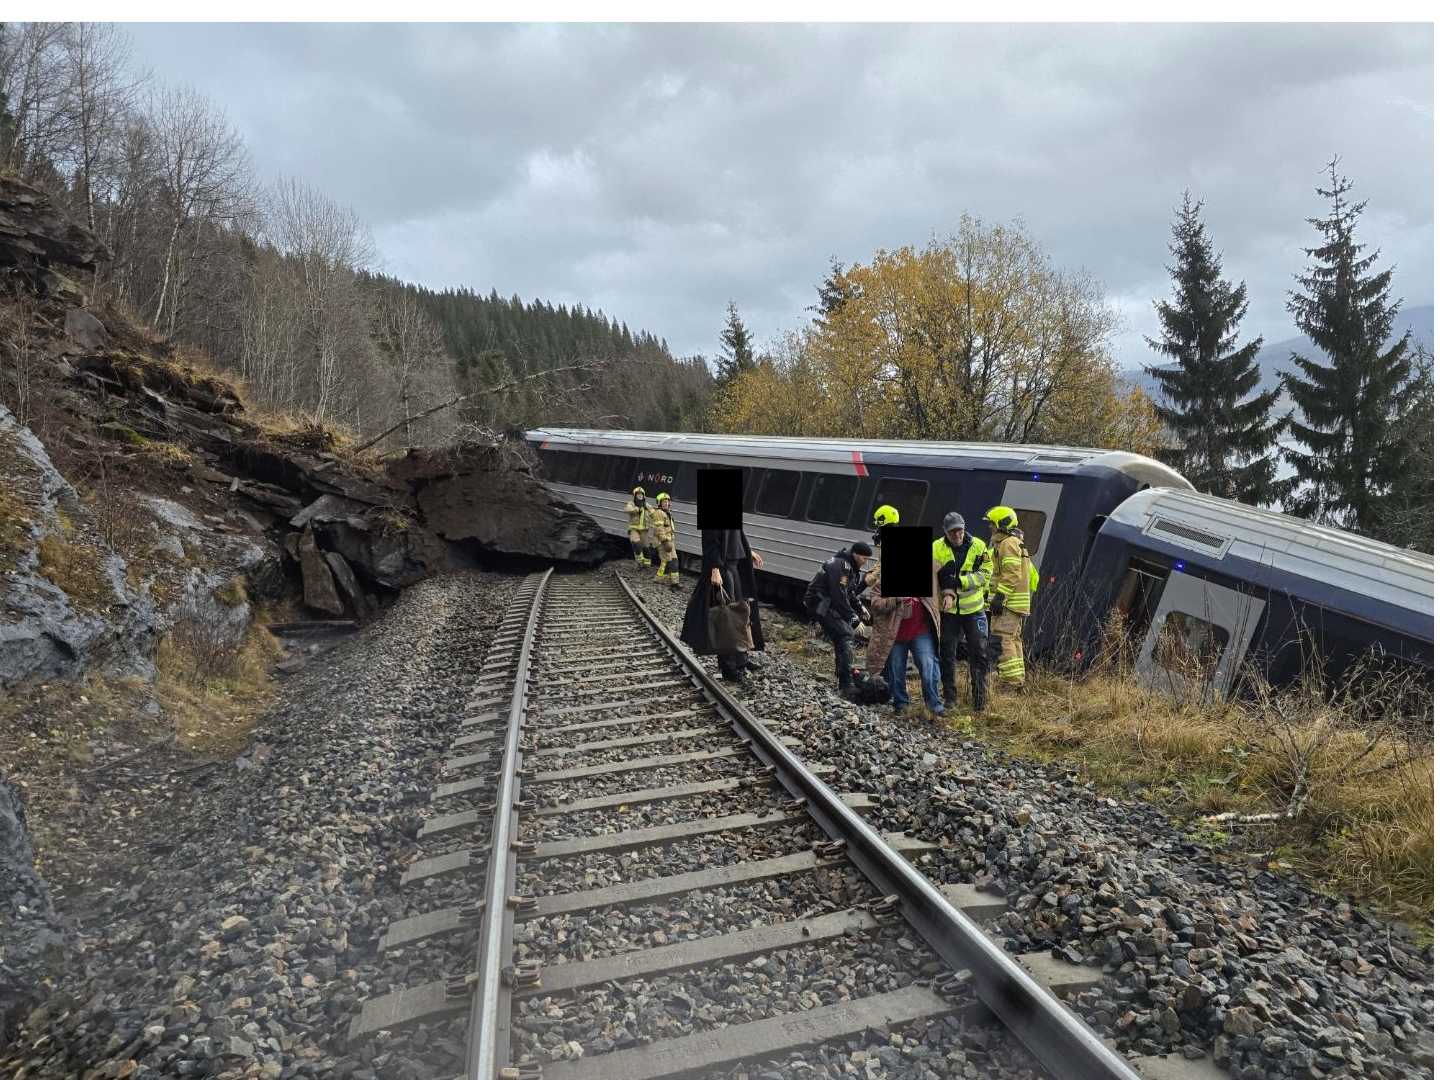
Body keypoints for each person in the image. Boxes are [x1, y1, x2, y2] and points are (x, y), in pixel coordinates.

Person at [680, 524, 765, 681]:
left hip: (735, 564)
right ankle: (728, 667)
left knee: (739, 615)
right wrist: (715, 569)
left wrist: (748, 551)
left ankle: (741, 659)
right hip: (723, 566)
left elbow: (736, 532)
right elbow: (709, 541)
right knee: (726, 618)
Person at [932, 511, 994, 712]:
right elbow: (934, 575)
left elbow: (986, 574)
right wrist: (947, 590)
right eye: (952, 531)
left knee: (979, 652)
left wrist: (961, 581)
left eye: (959, 530)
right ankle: (950, 697)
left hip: (974, 610)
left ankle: (979, 701)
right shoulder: (936, 548)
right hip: (948, 611)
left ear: (964, 528)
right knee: (947, 653)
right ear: (945, 531)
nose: (957, 534)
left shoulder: (979, 546)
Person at [865, 559, 943, 717]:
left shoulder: (932, 569)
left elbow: (945, 577)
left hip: (921, 631)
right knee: (896, 670)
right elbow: (876, 603)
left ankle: (934, 705)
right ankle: (901, 704)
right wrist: (896, 599)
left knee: (928, 666)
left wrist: (949, 594)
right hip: (896, 634)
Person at [804, 541, 872, 692]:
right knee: (845, 634)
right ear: (855, 554)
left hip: (826, 602)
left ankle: (842, 674)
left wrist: (860, 607)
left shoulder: (849, 567)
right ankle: (846, 682)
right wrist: (853, 619)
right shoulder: (841, 566)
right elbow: (839, 595)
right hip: (820, 602)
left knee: (842, 635)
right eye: (864, 558)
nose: (866, 562)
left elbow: (849, 592)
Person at [984, 505, 1039, 691]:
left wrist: (1000, 597)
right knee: (1013, 641)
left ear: (1001, 524)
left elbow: (1012, 573)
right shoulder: (1013, 542)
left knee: (1002, 641)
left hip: (1008, 604)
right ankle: (1017, 681)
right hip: (1015, 604)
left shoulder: (1008, 543)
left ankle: (1011, 684)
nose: (990, 527)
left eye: (992, 523)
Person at [651, 493, 680, 587]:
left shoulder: (667, 513)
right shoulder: (659, 513)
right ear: (659, 503)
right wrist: (665, 542)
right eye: (664, 502)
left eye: (667, 501)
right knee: (667, 562)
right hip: (663, 542)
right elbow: (659, 530)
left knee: (674, 560)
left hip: (669, 541)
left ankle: (675, 582)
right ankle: (658, 579)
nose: (666, 503)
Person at [624, 486, 653, 567]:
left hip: (644, 530)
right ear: (635, 495)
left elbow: (653, 513)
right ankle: (639, 562)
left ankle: (647, 565)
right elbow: (626, 509)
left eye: (641, 494)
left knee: (646, 548)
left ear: (643, 495)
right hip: (634, 529)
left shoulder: (646, 505)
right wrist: (637, 509)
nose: (640, 496)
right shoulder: (631, 503)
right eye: (638, 494)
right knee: (636, 544)